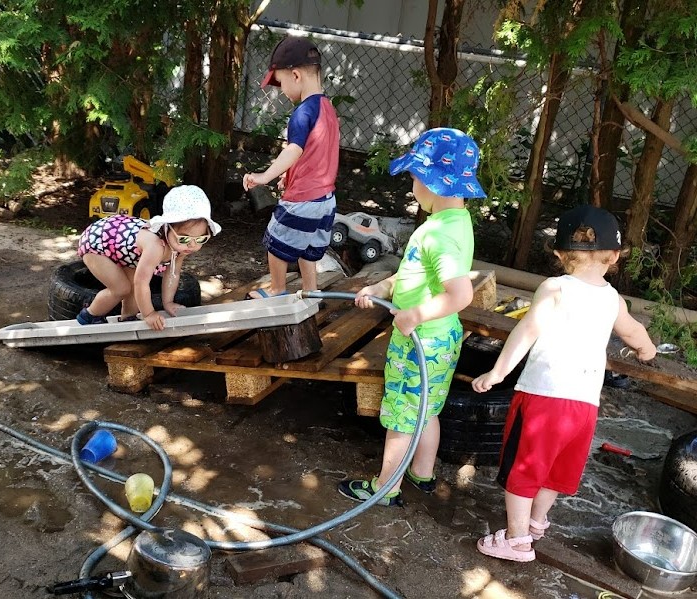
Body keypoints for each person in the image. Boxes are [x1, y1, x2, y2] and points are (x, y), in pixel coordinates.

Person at [470, 204, 657, 562]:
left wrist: (498, 372)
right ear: (615, 255)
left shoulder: (554, 287)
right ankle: (537, 522)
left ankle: (517, 540)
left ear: (559, 253)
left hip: (543, 399)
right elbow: (635, 333)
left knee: (523, 470)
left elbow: (527, 329)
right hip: (584, 406)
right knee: (555, 470)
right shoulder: (613, 299)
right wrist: (647, 352)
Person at [337, 128, 487, 507]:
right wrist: (381, 289)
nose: (412, 185)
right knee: (426, 410)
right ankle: (422, 473)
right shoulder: (456, 223)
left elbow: (460, 294)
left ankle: (384, 489)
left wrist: (415, 315)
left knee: (402, 417)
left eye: (415, 177)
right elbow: (415, 275)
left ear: (435, 181)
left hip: (422, 340)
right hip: (443, 338)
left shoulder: (438, 235)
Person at [242, 35, 339, 299]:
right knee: (308, 248)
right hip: (326, 199)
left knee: (275, 241)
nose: (282, 91)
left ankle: (277, 289)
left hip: (302, 198)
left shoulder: (302, 112)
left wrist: (264, 176)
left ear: (296, 75)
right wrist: (288, 175)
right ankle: (311, 291)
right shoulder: (327, 108)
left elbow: (294, 150)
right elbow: (316, 153)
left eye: (281, 83)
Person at [75, 185, 221, 330]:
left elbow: (173, 273)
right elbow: (142, 283)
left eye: (201, 239)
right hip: (98, 241)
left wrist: (168, 303)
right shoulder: (155, 246)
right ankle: (89, 315)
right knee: (121, 288)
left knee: (132, 288)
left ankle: (128, 318)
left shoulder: (181, 247)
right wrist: (149, 314)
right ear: (167, 227)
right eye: (184, 239)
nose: (192, 245)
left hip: (126, 250)